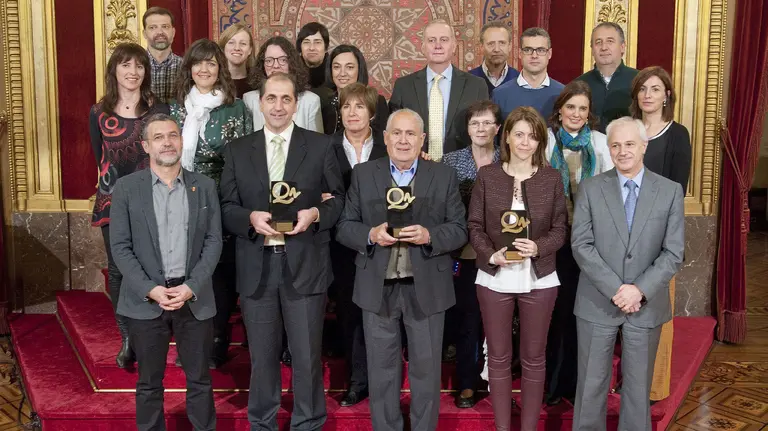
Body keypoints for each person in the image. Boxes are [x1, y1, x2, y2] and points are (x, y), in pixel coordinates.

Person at [219, 72, 345, 430]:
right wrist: (250, 218)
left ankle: (308, 422)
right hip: (257, 268)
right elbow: (226, 207)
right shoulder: (238, 150)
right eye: (271, 98)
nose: (278, 106)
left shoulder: (320, 146)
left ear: (296, 104)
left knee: (306, 357)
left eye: (285, 99)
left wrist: (316, 213)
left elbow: (339, 200)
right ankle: (262, 422)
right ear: (260, 103)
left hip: (305, 264)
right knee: (262, 358)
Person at [336, 108, 468, 431]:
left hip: (427, 288)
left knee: (425, 372)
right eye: (397, 133)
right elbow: (344, 226)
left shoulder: (444, 175)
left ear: (422, 139)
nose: (403, 140)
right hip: (377, 288)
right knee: (381, 372)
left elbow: (459, 230)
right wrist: (370, 235)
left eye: (411, 134)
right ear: (385, 137)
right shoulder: (364, 174)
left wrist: (429, 236)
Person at [109, 113, 223, 431]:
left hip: (193, 299)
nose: (167, 142)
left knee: (200, 380)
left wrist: (192, 286)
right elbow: (120, 248)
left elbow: (214, 242)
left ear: (181, 140)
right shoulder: (126, 189)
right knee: (148, 385)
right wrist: (150, 289)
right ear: (146, 145)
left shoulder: (205, 186)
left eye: (172, 135)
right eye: (158, 137)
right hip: (147, 302)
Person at [571, 117, 685, 431]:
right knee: (591, 386)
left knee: (637, 391)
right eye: (616, 145)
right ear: (609, 149)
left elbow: (674, 252)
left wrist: (638, 290)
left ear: (644, 145)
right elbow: (581, 244)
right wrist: (616, 289)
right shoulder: (591, 188)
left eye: (630, 144)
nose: (623, 151)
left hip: (645, 305)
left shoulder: (670, 191)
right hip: (597, 301)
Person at [468, 107, 566, 431]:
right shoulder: (487, 175)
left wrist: (539, 247)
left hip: (540, 278)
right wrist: (489, 255)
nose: (525, 142)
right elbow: (476, 226)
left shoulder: (551, 178)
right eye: (519, 134)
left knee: (534, 359)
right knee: (497, 358)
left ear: (540, 141)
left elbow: (560, 228)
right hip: (494, 277)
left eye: (532, 136)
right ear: (506, 136)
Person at [169, 38, 253, 367]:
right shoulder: (176, 107)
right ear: (189, 68)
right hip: (182, 199)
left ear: (220, 69)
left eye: (211, 63)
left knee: (217, 271)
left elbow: (244, 159)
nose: (204, 68)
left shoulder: (236, 108)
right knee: (186, 269)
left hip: (222, 199)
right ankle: (189, 339)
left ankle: (217, 340)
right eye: (199, 62)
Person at [89, 42, 169, 369]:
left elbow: (164, 153)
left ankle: (148, 329)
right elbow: (100, 158)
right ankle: (127, 338)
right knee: (120, 270)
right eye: (125, 65)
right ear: (115, 71)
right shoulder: (99, 112)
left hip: (151, 200)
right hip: (113, 202)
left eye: (139, 66)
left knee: (151, 266)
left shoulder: (157, 108)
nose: (133, 72)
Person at [543, 79, 613, 405]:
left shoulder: (600, 144)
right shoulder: (544, 141)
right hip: (553, 241)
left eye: (582, 108)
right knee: (557, 314)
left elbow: (612, 192)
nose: (576, 113)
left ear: (589, 114)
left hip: (590, 242)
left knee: (584, 314)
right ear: (560, 109)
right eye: (570, 106)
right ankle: (555, 386)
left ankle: (582, 387)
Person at [630, 66, 691, 401]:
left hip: (657, 236)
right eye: (642, 88)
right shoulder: (627, 131)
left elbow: (677, 191)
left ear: (667, 94)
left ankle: (654, 385)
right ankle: (629, 377)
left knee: (655, 312)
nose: (648, 95)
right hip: (621, 234)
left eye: (655, 89)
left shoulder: (677, 134)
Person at [329, 83, 388, 407]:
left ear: (372, 113)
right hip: (342, 244)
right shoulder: (326, 148)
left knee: (381, 313)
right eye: (347, 106)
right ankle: (357, 380)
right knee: (350, 313)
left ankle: (381, 379)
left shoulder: (387, 146)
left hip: (382, 242)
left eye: (359, 107)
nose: (353, 112)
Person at [441, 100, 501, 408]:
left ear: (497, 128)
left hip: (502, 255)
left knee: (499, 322)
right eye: (475, 123)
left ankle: (498, 381)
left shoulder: (509, 159)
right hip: (463, 254)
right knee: (469, 318)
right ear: (468, 129)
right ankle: (467, 382)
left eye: (487, 122)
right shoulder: (450, 161)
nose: (481, 128)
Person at [389, 20, 489, 160]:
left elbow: (486, 130)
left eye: (444, 40)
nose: (438, 46)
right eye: (431, 40)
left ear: (454, 46)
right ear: (423, 47)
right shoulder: (404, 86)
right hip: (416, 167)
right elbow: (393, 132)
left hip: (463, 168)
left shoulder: (476, 86)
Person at [243, 36, 324, 132]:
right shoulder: (249, 99)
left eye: (283, 60)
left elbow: (318, 144)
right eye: (269, 60)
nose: (276, 66)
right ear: (262, 65)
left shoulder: (311, 101)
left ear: (292, 63)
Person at [576, 22, 639, 132]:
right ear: (592, 49)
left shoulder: (640, 81)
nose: (604, 47)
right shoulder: (579, 85)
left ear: (622, 47)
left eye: (610, 41)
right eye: (598, 42)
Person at [493, 27, 564, 120]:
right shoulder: (500, 95)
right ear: (519, 53)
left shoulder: (563, 94)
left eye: (541, 50)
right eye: (528, 50)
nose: (534, 56)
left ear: (549, 53)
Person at [322, 45, 389, 134]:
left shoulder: (377, 101)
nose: (342, 73)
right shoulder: (323, 102)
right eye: (336, 67)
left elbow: (382, 140)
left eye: (349, 67)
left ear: (359, 70)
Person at [142, 7, 182, 103]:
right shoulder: (135, 67)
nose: (160, 32)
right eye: (153, 27)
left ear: (173, 32)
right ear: (144, 33)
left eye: (165, 26)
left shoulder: (186, 66)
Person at [469, 21, 519, 95]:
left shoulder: (519, 80)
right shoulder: (469, 80)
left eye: (502, 43)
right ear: (481, 47)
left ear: (509, 46)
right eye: (491, 44)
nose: (497, 49)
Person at [218, 23, 256, 98]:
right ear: (223, 48)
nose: (237, 48)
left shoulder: (258, 83)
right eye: (231, 43)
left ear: (250, 50)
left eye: (243, 44)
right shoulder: (215, 80)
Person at [297, 22, 330, 88]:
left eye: (317, 42)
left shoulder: (334, 70)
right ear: (300, 47)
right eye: (306, 42)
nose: (311, 48)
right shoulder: (292, 71)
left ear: (326, 48)